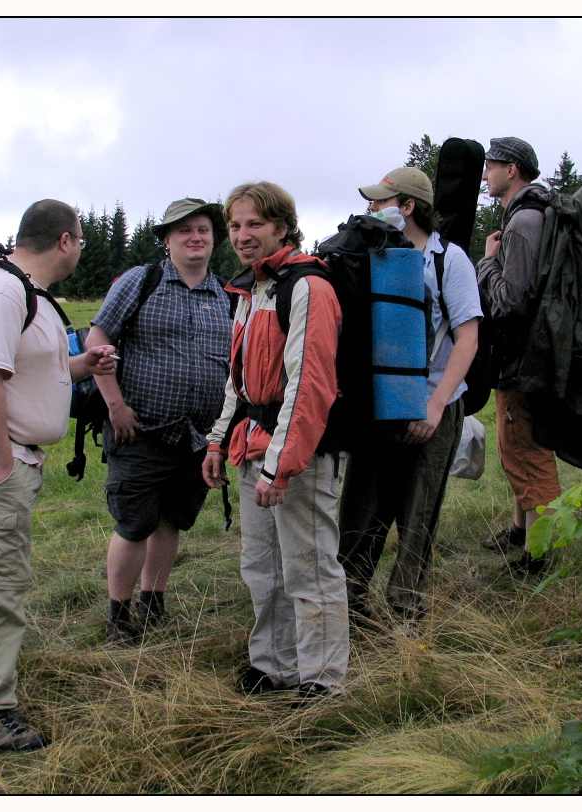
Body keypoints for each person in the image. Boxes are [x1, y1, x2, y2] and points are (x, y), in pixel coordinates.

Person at [0, 199, 116, 752]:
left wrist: (83, 366)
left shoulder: (24, 293)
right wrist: (3, 464)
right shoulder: (1, 292)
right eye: (80, 241)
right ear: (64, 241)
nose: (80, 250)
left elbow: (27, 372)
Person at [201, 181, 348, 699]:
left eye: (255, 224)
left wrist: (280, 466)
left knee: (309, 568)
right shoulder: (252, 290)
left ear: (282, 227)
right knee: (263, 569)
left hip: (298, 457)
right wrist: (218, 440)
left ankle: (322, 680)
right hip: (254, 447)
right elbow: (238, 381)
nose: (242, 235)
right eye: (235, 225)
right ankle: (274, 666)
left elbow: (310, 384)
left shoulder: (307, 288)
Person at [85, 198, 233, 643]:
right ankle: (118, 617)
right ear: (166, 240)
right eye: (184, 230)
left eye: (203, 230)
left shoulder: (225, 296)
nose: (195, 237)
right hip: (140, 429)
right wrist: (114, 405)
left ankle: (153, 603)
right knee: (134, 524)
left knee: (171, 521)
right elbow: (98, 338)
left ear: (214, 239)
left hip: (197, 437)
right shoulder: (141, 280)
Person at [337, 166, 482, 624]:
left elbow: (468, 338)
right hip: (378, 407)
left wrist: (435, 406)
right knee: (361, 509)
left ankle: (406, 613)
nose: (372, 208)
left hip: (432, 404)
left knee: (418, 515)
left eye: (381, 201)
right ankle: (350, 605)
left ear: (408, 206)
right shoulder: (374, 253)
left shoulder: (449, 260)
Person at [475, 137, 562, 574]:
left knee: (527, 451)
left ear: (512, 170)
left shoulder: (524, 221)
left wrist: (487, 262)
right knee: (516, 445)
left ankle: (540, 556)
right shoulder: (529, 214)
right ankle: (521, 531)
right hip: (528, 353)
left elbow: (510, 301)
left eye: (491, 165)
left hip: (525, 356)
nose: (485, 173)